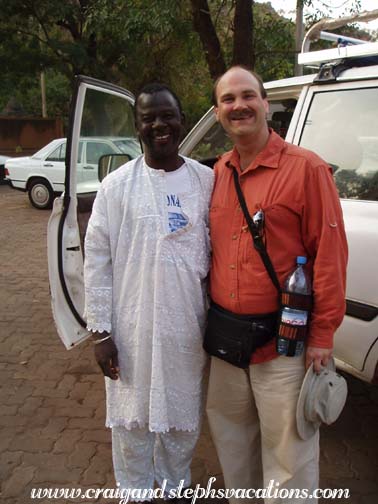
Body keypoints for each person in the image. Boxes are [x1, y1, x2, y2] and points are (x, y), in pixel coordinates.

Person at [206, 66, 348, 503]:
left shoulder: (307, 170)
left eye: (248, 96)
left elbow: (329, 256)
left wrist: (322, 335)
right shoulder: (218, 170)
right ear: (218, 112)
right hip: (227, 342)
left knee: (289, 457)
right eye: (228, 99)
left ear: (267, 104)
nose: (239, 106)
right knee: (233, 446)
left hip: (285, 344)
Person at [84, 83, 214, 499]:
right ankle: (135, 492)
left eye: (167, 115)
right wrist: (101, 333)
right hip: (130, 328)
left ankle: (176, 488)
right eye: (148, 118)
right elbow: (97, 260)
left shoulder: (206, 182)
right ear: (137, 126)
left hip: (187, 331)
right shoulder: (116, 186)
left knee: (182, 422)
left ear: (181, 120)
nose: (159, 124)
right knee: (131, 425)